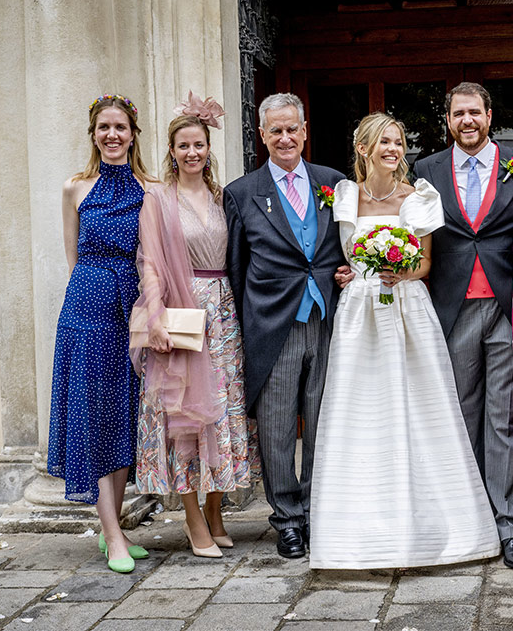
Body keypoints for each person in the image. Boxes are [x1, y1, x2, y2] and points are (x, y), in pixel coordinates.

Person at [310, 113, 500, 569]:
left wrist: (399, 270)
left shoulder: (418, 198)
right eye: (384, 142)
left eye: (398, 142)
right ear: (364, 148)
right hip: (358, 314)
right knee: (360, 413)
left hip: (409, 310)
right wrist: (352, 274)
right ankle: (358, 534)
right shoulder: (345, 196)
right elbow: (341, 258)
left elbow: (427, 265)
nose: (394, 150)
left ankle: (437, 530)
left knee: (420, 411)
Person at [413, 82, 513, 569]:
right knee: (462, 417)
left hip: (507, 307)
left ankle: (510, 525)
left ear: (490, 115)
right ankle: (469, 520)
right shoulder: (425, 171)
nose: (468, 120)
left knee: (503, 417)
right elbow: (409, 229)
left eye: (475, 112)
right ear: (449, 120)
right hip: (453, 306)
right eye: (458, 113)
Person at [132, 96, 260, 559]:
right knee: (184, 416)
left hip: (222, 312)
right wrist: (156, 317)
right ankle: (191, 518)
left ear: (208, 148)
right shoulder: (157, 199)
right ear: (171, 150)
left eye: (199, 145)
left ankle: (215, 510)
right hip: (180, 314)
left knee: (220, 413)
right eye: (183, 145)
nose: (192, 152)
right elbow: (148, 263)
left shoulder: (223, 196)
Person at [224, 93, 348, 559]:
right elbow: (236, 270)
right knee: (276, 429)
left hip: (326, 318)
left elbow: (351, 245)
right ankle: (288, 520)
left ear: (305, 129)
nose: (284, 137)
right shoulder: (241, 192)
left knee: (322, 424)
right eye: (275, 130)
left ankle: (318, 513)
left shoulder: (333, 183)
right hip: (272, 324)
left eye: (291, 128)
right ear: (262, 135)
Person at [48, 94, 151, 573]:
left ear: (133, 134)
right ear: (93, 134)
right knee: (93, 412)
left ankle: (120, 527)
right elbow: (72, 259)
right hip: (87, 307)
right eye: (104, 127)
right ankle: (110, 534)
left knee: (125, 410)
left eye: (121, 127)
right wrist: (89, 296)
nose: (113, 135)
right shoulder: (74, 187)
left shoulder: (150, 187)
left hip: (132, 304)